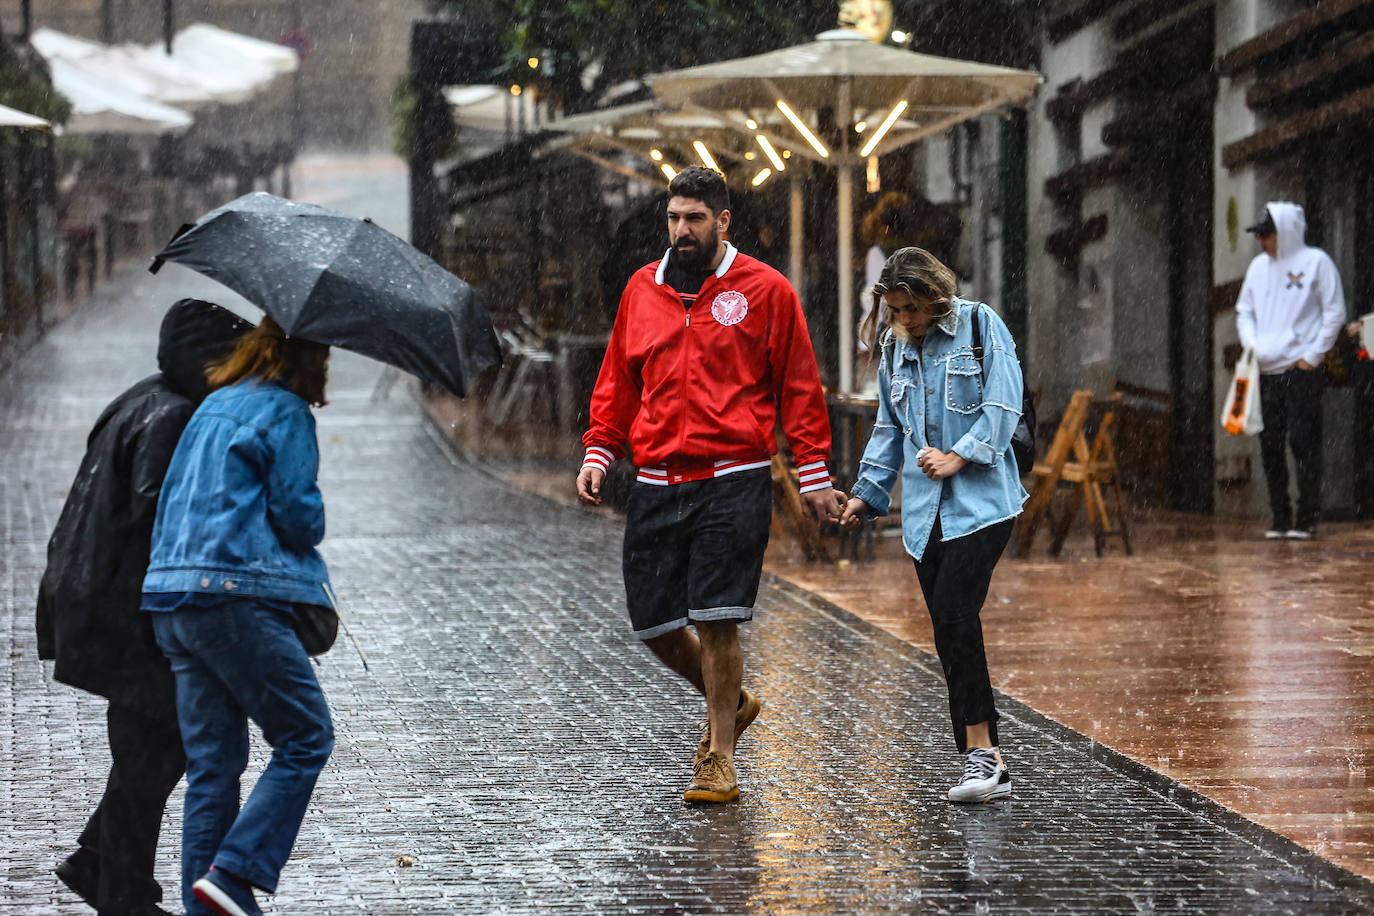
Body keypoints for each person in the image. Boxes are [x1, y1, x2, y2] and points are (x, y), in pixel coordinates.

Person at [577, 166, 845, 804]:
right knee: (653, 623)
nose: (681, 230)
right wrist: (599, 450)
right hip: (657, 478)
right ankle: (732, 698)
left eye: (695, 218)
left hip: (734, 478)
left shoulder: (766, 291)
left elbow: (799, 386)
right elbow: (617, 379)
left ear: (723, 221)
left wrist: (812, 474)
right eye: (673, 218)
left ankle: (718, 755)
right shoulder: (642, 289)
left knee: (718, 617)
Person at [36, 299, 249, 916]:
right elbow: (162, 516)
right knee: (155, 753)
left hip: (94, 598)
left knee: (151, 748)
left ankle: (99, 859)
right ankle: (123, 894)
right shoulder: (175, 416)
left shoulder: (143, 396)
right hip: (126, 611)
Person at [141, 316, 335, 916]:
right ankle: (236, 869)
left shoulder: (215, 404)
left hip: (172, 600)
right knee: (306, 735)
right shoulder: (286, 411)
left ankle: (209, 907)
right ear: (304, 360)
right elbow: (299, 517)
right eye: (324, 358)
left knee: (214, 768)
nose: (327, 371)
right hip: (233, 597)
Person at [838, 247, 1027, 803]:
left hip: (984, 504)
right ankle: (984, 754)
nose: (904, 320)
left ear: (934, 297)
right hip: (925, 516)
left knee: (954, 612)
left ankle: (982, 756)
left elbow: (1003, 405)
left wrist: (958, 457)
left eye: (912, 309)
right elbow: (888, 429)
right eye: (895, 310)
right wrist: (865, 498)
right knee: (949, 630)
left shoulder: (979, 324)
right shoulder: (896, 347)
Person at [1235, 202, 1346, 540]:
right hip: (1266, 371)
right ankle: (1280, 517)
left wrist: (1311, 357)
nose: (1261, 241)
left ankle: (1306, 517)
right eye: (1259, 235)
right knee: (1269, 445)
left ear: (1285, 233)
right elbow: (1244, 310)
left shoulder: (1317, 263)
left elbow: (1335, 312)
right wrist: (1251, 344)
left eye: (1266, 234)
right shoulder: (1257, 268)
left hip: (1300, 371)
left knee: (1303, 442)